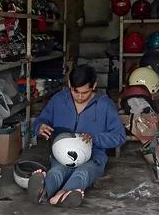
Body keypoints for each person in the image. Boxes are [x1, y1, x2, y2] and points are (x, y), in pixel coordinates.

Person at [29, 65, 127, 207]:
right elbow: (41, 120)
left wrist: (95, 138)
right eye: (76, 91)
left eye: (85, 92)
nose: (80, 97)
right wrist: (40, 127)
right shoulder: (58, 100)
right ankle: (42, 190)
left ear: (94, 85)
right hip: (61, 154)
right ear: (69, 84)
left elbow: (119, 136)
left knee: (83, 173)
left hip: (94, 157)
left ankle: (63, 194)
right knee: (56, 172)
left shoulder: (105, 105)